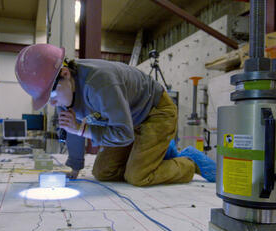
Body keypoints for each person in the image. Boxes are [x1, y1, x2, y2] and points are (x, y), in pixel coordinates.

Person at [14, 44, 215, 186]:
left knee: (137, 176)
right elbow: (71, 127)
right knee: (103, 172)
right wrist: (74, 167)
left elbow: (122, 134)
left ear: (66, 74)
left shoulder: (100, 83)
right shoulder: (62, 90)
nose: (53, 102)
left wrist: (83, 129)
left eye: (52, 94)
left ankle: (187, 162)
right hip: (128, 121)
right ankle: (153, 153)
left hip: (155, 113)